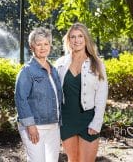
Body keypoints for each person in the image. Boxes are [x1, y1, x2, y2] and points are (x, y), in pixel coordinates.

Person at [55, 22, 108, 162]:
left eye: (80, 36)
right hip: (66, 120)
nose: (76, 40)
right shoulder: (60, 63)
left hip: (88, 119)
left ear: (86, 39)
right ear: (68, 40)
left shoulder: (97, 63)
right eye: (72, 37)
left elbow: (101, 96)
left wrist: (97, 122)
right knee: (73, 160)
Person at [15, 27, 63, 162]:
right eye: (39, 44)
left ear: (50, 46)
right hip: (35, 127)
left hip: (54, 126)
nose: (43, 47)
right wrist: (30, 126)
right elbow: (20, 99)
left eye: (46, 44)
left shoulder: (53, 70)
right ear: (32, 47)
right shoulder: (27, 71)